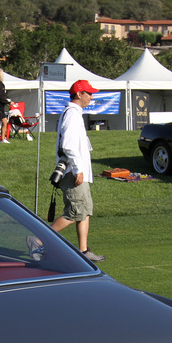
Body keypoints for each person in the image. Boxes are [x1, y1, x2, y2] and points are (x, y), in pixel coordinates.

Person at [51, 80, 104, 262]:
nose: (91, 96)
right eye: (89, 93)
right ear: (79, 94)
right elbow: (68, 146)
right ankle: (38, 240)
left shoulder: (74, 113)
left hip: (78, 171)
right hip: (73, 172)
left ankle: (83, 250)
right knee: (74, 213)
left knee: (84, 211)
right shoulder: (72, 114)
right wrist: (78, 169)